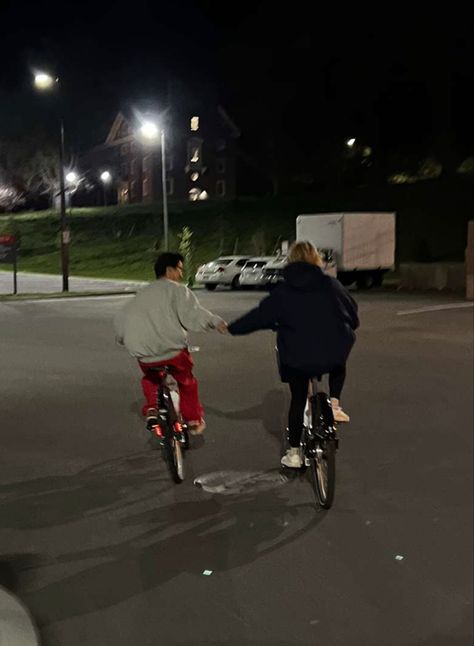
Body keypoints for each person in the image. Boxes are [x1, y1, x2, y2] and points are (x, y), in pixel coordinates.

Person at [227, 241, 359, 468]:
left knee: (298, 399)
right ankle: (335, 404)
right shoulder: (332, 285)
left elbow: (258, 316)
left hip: (297, 357)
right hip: (331, 351)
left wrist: (231, 328)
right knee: (338, 358)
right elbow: (352, 314)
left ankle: (295, 453)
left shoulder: (283, 291)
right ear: (316, 259)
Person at [115, 252, 227, 435]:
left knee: (151, 378)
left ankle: (152, 408)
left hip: (144, 355)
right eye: (179, 269)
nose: (181, 275)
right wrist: (215, 322)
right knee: (186, 381)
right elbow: (193, 314)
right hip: (172, 352)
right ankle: (192, 419)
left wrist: (123, 338)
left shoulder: (141, 294)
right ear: (169, 269)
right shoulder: (177, 290)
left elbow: (122, 320)